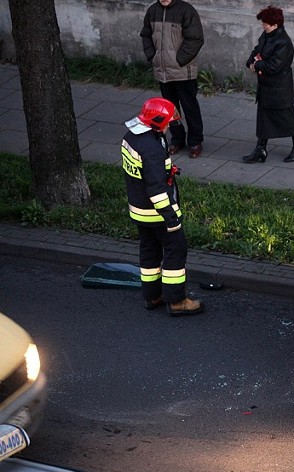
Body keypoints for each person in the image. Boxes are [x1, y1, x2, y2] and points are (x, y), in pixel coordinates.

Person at [121, 97, 204, 316]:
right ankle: (176, 301)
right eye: (167, 122)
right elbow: (157, 189)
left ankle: (152, 296)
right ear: (157, 121)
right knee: (175, 250)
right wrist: (171, 217)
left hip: (138, 210)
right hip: (157, 212)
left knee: (149, 252)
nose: (169, 126)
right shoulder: (151, 148)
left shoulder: (131, 137)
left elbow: (141, 174)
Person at [141, 0, 205, 159]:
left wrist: (179, 60)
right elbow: (146, 35)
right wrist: (152, 57)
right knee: (169, 110)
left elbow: (196, 39)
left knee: (190, 107)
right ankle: (177, 139)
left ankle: (195, 141)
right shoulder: (152, 11)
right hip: (162, 71)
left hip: (183, 71)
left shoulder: (186, 10)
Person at [241, 5, 294, 164]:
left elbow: (274, 66)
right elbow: (257, 50)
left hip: (279, 89)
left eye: (265, 24)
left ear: (275, 25)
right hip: (266, 87)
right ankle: (260, 149)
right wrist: (251, 61)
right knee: (263, 118)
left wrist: (256, 65)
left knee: (287, 117)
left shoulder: (283, 43)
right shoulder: (267, 35)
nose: (263, 26)